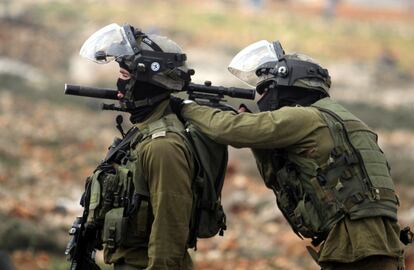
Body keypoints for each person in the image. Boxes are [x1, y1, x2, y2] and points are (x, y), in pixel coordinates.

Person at [172, 40, 406, 269]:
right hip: (378, 243)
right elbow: (279, 172)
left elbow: (230, 130)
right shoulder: (345, 120)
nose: (261, 97)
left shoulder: (305, 118)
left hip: (356, 247)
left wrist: (184, 107)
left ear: (286, 86)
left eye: (265, 89)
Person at [78, 23, 196, 270]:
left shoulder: (163, 146)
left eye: (124, 76)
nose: (119, 87)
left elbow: (170, 233)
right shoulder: (141, 133)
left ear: (147, 81)